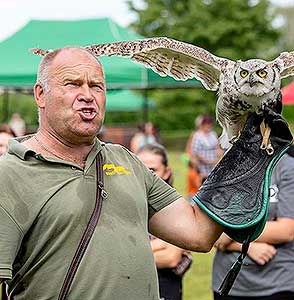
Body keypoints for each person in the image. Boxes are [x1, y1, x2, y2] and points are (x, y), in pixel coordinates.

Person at [0, 47, 225, 300]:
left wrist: (242, 153)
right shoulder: (10, 174)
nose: (87, 95)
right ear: (41, 95)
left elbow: (199, 233)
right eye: (73, 84)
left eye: (97, 86)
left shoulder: (127, 161)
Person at [212, 151, 294, 300]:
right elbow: (212, 234)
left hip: (279, 284)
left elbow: (286, 230)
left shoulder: (288, 168)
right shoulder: (228, 167)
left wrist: (230, 231)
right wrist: (246, 246)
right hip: (230, 285)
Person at [137, 143, 189, 300]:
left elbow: (171, 258)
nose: (145, 175)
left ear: (166, 172)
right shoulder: (124, 206)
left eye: (152, 170)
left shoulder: (177, 208)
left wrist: (129, 254)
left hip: (166, 288)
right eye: (139, 168)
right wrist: (158, 245)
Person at [191, 114, 222, 181]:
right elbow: (195, 152)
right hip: (202, 167)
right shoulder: (197, 135)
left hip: (213, 165)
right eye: (206, 124)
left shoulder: (213, 134)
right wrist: (207, 161)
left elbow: (217, 147)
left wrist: (218, 157)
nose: (208, 126)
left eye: (209, 124)